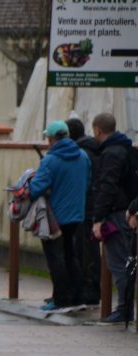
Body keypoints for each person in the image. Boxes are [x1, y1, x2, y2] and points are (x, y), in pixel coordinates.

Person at [27, 120, 90, 312]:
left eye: (48, 138)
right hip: (77, 214)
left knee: (56, 257)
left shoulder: (50, 160)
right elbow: (87, 182)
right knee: (71, 255)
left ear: (53, 139)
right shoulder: (82, 156)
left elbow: (36, 189)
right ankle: (77, 296)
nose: (47, 142)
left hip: (55, 217)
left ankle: (61, 299)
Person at [90, 112, 137, 324]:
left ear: (97, 130)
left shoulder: (111, 153)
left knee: (118, 263)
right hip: (127, 211)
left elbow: (107, 186)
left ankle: (124, 311)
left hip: (118, 214)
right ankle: (125, 309)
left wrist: (98, 218)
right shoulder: (127, 148)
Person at [66, 117, 102, 307]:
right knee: (90, 248)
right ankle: (90, 289)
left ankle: (88, 291)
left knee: (85, 249)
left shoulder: (81, 153)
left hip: (85, 206)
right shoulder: (93, 149)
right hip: (92, 205)